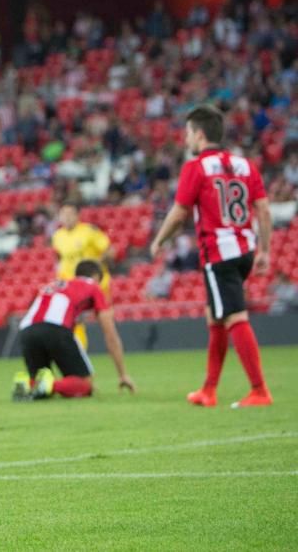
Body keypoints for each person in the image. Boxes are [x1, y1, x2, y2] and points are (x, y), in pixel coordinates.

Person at [150, 106, 273, 408]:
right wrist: (266, 251)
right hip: (245, 248)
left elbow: (179, 213)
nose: (186, 138)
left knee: (233, 317)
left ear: (200, 134)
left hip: (219, 253)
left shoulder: (196, 167)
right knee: (215, 316)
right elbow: (264, 210)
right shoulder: (245, 165)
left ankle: (259, 390)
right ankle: (209, 389)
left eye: (189, 133)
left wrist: (159, 240)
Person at [14, 260, 135, 400]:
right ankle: (48, 385)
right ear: (95, 277)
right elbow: (110, 334)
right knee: (85, 384)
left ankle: (28, 384)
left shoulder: (54, 285)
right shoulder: (93, 287)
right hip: (55, 328)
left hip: (27, 331)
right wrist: (122, 374)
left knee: (42, 390)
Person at [51, 203, 113, 349]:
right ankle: (79, 355)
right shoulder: (57, 236)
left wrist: (95, 265)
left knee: (106, 322)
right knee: (74, 321)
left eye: (70, 214)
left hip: (95, 284)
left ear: (77, 215)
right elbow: (60, 258)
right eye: (63, 214)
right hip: (72, 285)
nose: (66, 217)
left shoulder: (89, 231)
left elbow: (110, 251)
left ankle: (115, 353)